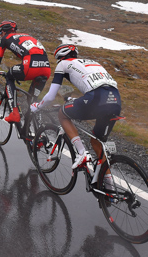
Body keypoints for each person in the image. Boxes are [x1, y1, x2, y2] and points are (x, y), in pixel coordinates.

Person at [30, 44, 121, 188]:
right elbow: (95, 86)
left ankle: (81, 153)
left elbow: (50, 97)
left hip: (96, 97)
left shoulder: (63, 64)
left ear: (60, 57)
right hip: (115, 100)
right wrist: (75, 101)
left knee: (63, 114)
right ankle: (109, 185)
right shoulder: (92, 63)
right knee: (97, 142)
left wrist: (37, 106)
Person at [0, 20, 50, 124]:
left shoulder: (5, 38)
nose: (1, 35)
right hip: (46, 67)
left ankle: (14, 113)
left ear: (4, 32)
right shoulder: (27, 36)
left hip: (30, 66)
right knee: (32, 100)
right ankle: (36, 130)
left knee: (9, 76)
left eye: (1, 33)